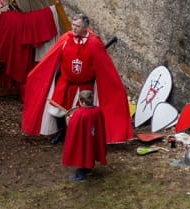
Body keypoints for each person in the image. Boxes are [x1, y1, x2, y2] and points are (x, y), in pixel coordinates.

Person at [21, 12, 130, 145]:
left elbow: (105, 67)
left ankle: (81, 137)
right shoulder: (66, 39)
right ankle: (62, 132)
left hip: (85, 87)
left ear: (85, 27)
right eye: (73, 25)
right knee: (58, 110)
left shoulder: (94, 43)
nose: (74, 28)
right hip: (65, 83)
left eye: (77, 26)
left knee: (82, 114)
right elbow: (51, 58)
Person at [61, 89, 107, 181]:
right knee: (90, 151)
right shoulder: (98, 111)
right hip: (93, 138)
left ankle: (81, 175)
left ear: (81, 101)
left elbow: (72, 127)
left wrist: (69, 119)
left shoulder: (79, 114)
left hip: (83, 140)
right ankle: (88, 168)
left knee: (82, 153)